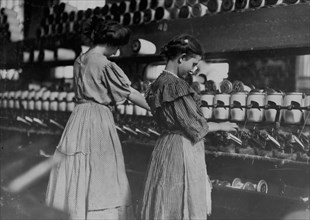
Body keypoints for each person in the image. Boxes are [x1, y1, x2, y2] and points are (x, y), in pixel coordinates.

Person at [46, 17, 150, 220]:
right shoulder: (103, 63)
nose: (117, 52)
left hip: (77, 118)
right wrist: (158, 108)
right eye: (117, 47)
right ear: (110, 43)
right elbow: (131, 93)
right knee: (101, 169)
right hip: (97, 120)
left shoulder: (80, 59)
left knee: (79, 169)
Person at [140, 34, 238, 220]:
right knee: (181, 200)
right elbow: (193, 125)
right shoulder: (176, 86)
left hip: (164, 145)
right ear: (182, 58)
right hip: (182, 147)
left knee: (165, 198)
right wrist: (221, 125)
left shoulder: (157, 83)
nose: (193, 70)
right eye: (193, 64)